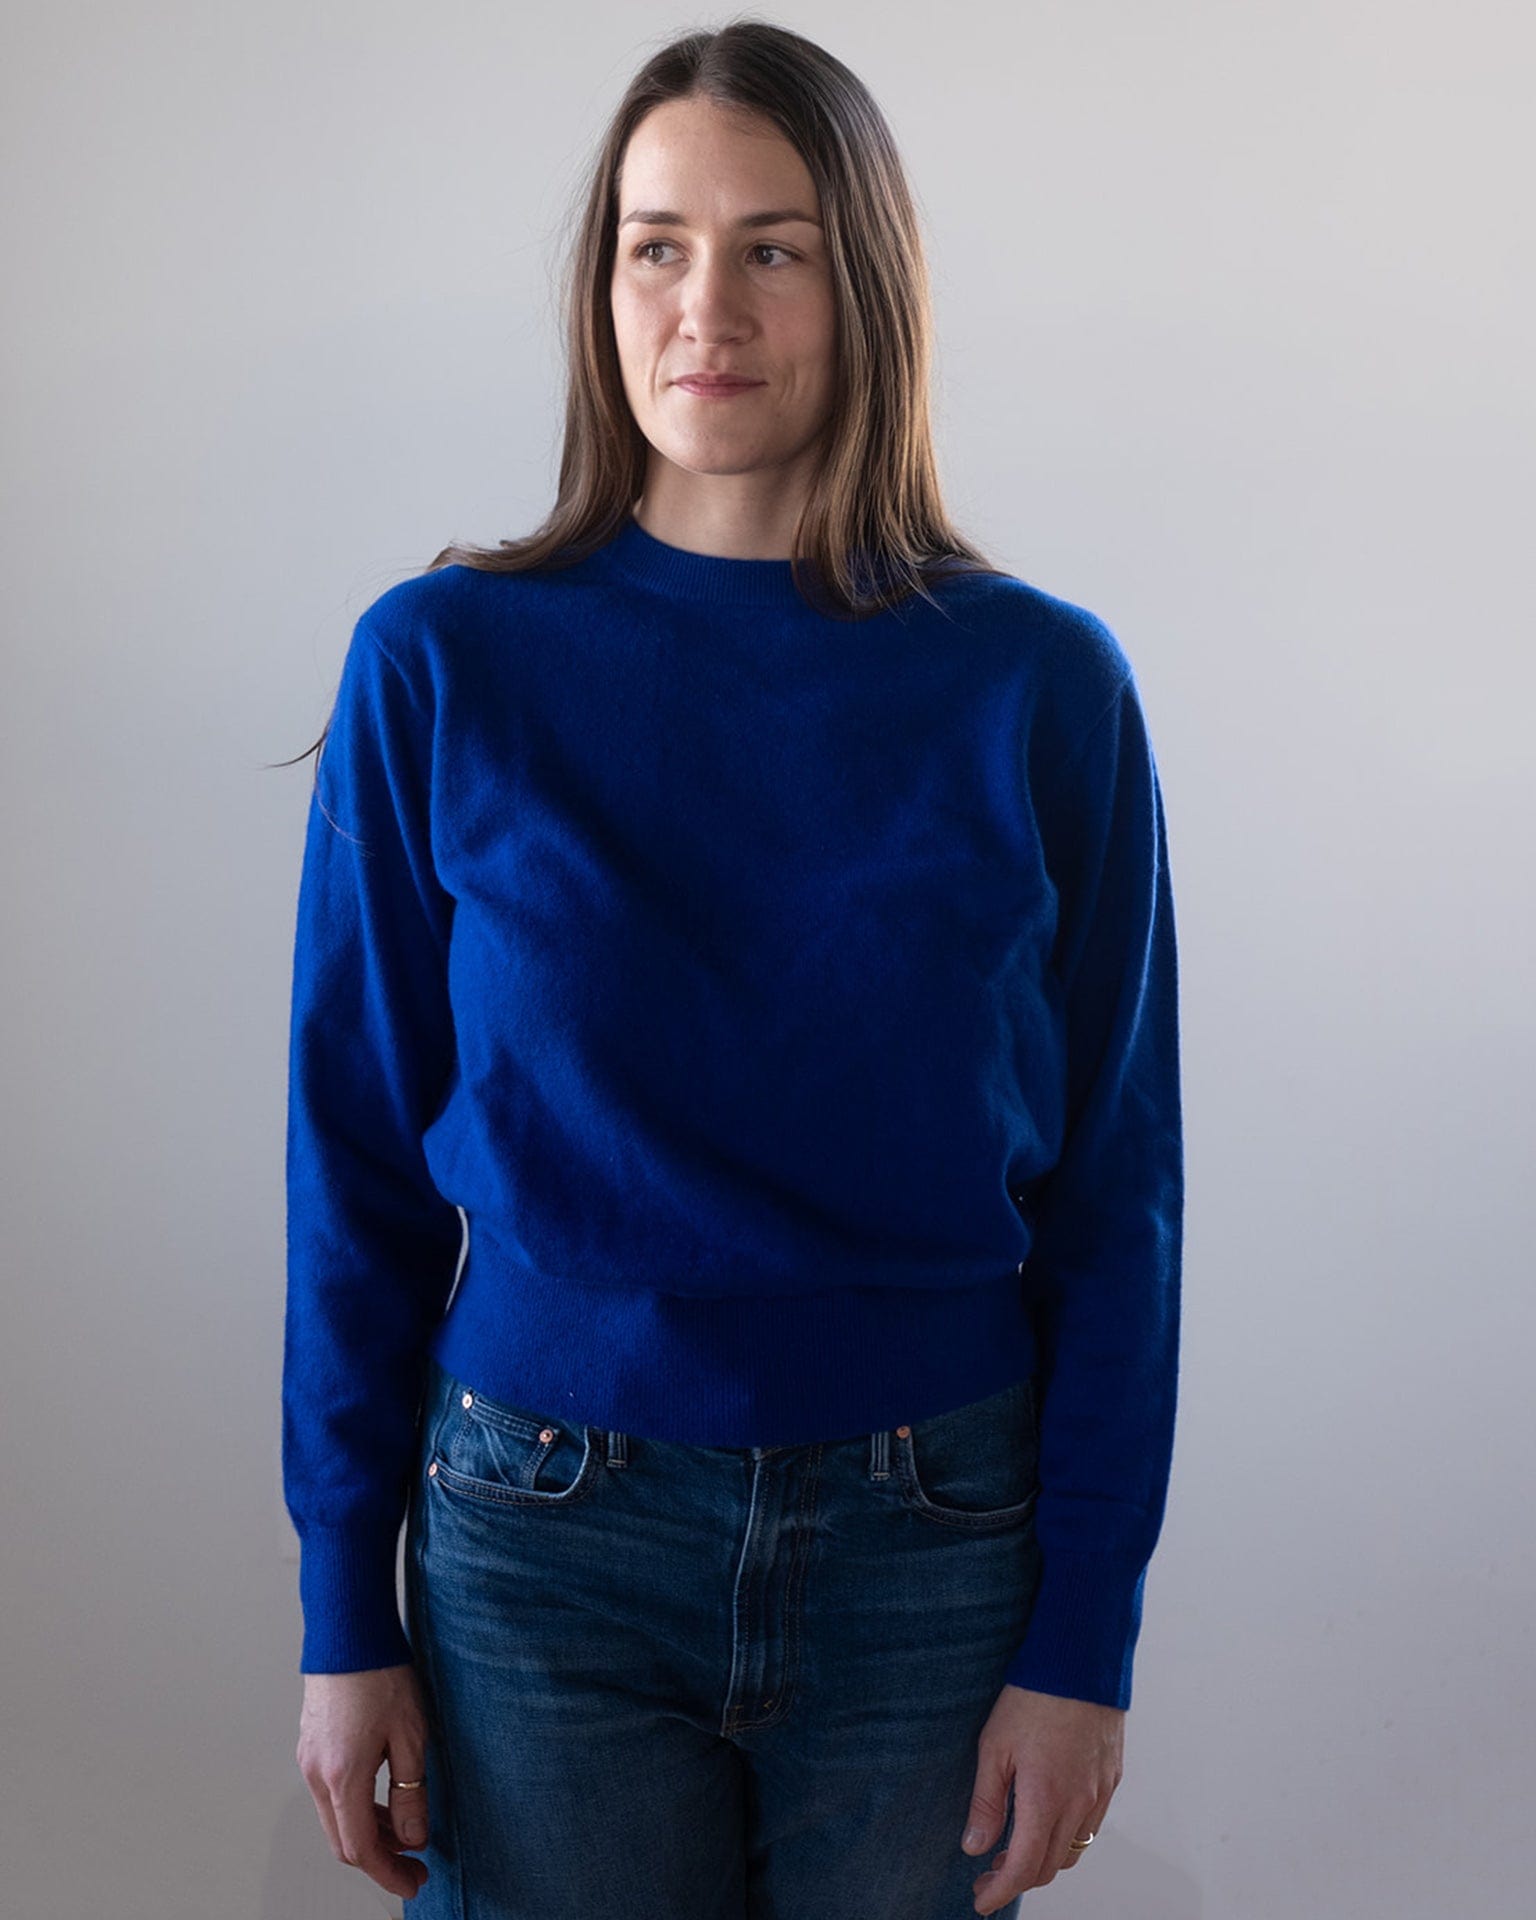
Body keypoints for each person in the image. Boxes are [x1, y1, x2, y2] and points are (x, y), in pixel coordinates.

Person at [282, 21, 1183, 1920]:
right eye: (655, 243)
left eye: (772, 245)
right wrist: (339, 1609)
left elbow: (1121, 1195)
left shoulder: (1038, 685)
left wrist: (1084, 1635)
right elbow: (350, 1165)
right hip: (538, 1545)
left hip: (935, 1549)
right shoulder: (442, 664)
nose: (708, 303)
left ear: (864, 287)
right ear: (602, 283)